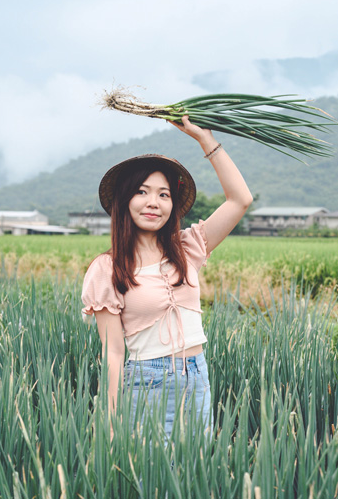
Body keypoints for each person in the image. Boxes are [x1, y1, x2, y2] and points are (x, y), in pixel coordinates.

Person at [81, 116, 253, 437]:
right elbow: (114, 352)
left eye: (163, 195)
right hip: (146, 384)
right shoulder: (107, 268)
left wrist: (205, 140)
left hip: (197, 377)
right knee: (155, 484)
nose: (153, 203)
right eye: (142, 192)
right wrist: (111, 419)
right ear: (124, 200)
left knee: (195, 481)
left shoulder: (188, 248)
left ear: (172, 205)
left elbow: (240, 200)